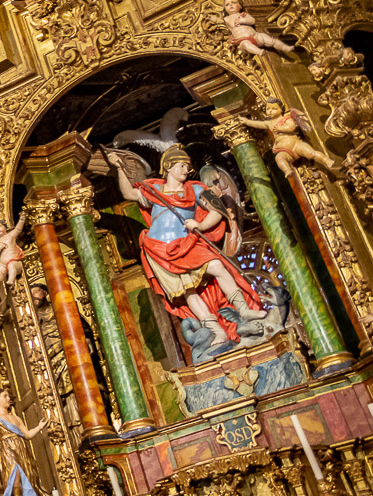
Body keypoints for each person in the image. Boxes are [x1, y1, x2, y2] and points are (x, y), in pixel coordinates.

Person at [106, 144, 267, 352]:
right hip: (158, 249)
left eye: (187, 166)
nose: (186, 170)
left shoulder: (196, 188)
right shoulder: (154, 189)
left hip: (186, 244)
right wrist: (119, 167)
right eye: (182, 165)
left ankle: (243, 310)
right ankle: (215, 329)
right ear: (169, 166)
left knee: (217, 266)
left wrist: (200, 225)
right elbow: (129, 193)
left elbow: (216, 212)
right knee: (186, 291)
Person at [237, 100, 341, 175]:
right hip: (284, 149)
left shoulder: (286, 118)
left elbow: (291, 127)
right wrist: (246, 122)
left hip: (296, 144)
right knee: (279, 158)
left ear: (281, 109)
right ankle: (287, 170)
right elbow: (258, 124)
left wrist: (281, 129)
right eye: (268, 109)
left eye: (274, 109)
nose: (270, 111)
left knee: (310, 153)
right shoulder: (269, 123)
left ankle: (326, 160)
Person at [222, 0, 294, 58]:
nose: (231, 5)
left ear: (240, 5)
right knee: (246, 44)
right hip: (242, 40)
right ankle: (259, 52)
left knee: (270, 40)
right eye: (227, 4)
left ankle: (285, 47)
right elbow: (218, 21)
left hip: (255, 35)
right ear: (225, 9)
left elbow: (252, 21)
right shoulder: (226, 19)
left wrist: (243, 21)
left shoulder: (244, 15)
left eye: (234, 3)